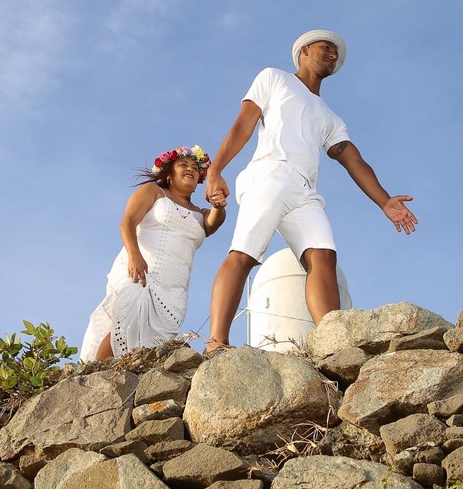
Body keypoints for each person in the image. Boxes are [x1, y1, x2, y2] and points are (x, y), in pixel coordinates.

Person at [203, 30, 417, 354]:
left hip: (305, 191)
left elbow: (353, 159)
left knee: (324, 255)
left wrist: (385, 201)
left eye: (336, 54)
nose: (333, 56)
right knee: (245, 253)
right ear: (304, 51)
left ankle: (332, 346)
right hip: (270, 173)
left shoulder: (330, 117)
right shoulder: (274, 78)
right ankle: (217, 343)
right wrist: (215, 170)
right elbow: (242, 125)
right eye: (326, 49)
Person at [79, 145, 227, 362]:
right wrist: (134, 255)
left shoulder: (200, 214)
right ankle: (98, 376)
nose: (190, 169)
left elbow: (214, 222)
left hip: (174, 290)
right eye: (183, 165)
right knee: (126, 323)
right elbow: (127, 222)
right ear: (168, 173)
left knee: (148, 347)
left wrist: (218, 205)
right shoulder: (154, 192)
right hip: (142, 273)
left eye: (195, 168)